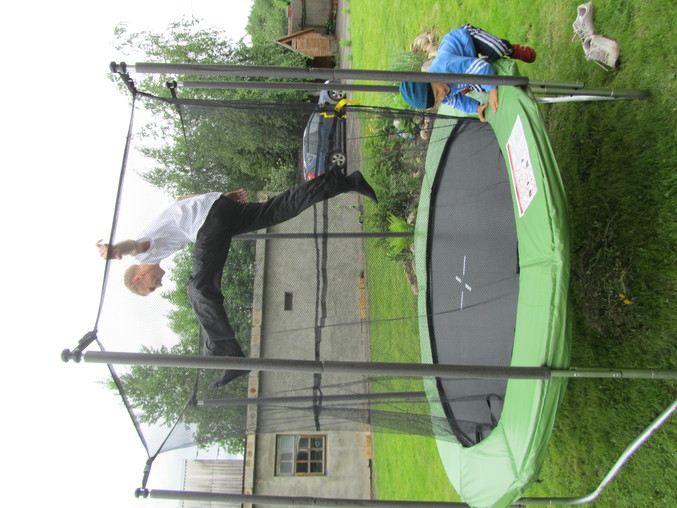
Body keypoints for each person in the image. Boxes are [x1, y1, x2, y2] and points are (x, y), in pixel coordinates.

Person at [97, 169, 378, 388]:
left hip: (208, 222)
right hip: (218, 209)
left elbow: (134, 245)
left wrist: (115, 250)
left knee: (198, 288)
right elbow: (180, 200)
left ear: (138, 278)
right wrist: (219, 198)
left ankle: (228, 356)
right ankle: (345, 181)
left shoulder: (142, 256)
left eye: (151, 287)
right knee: (277, 209)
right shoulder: (161, 239)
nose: (158, 285)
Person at [399, 25, 536, 121]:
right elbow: (458, 102)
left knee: (498, 49)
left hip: (467, 40)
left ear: (431, 76)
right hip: (465, 66)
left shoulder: (448, 67)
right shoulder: (442, 95)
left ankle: (513, 50)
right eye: (437, 100)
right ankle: (478, 65)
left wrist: (492, 89)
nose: (441, 96)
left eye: (437, 92)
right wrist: (476, 108)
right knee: (479, 85)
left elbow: (482, 67)